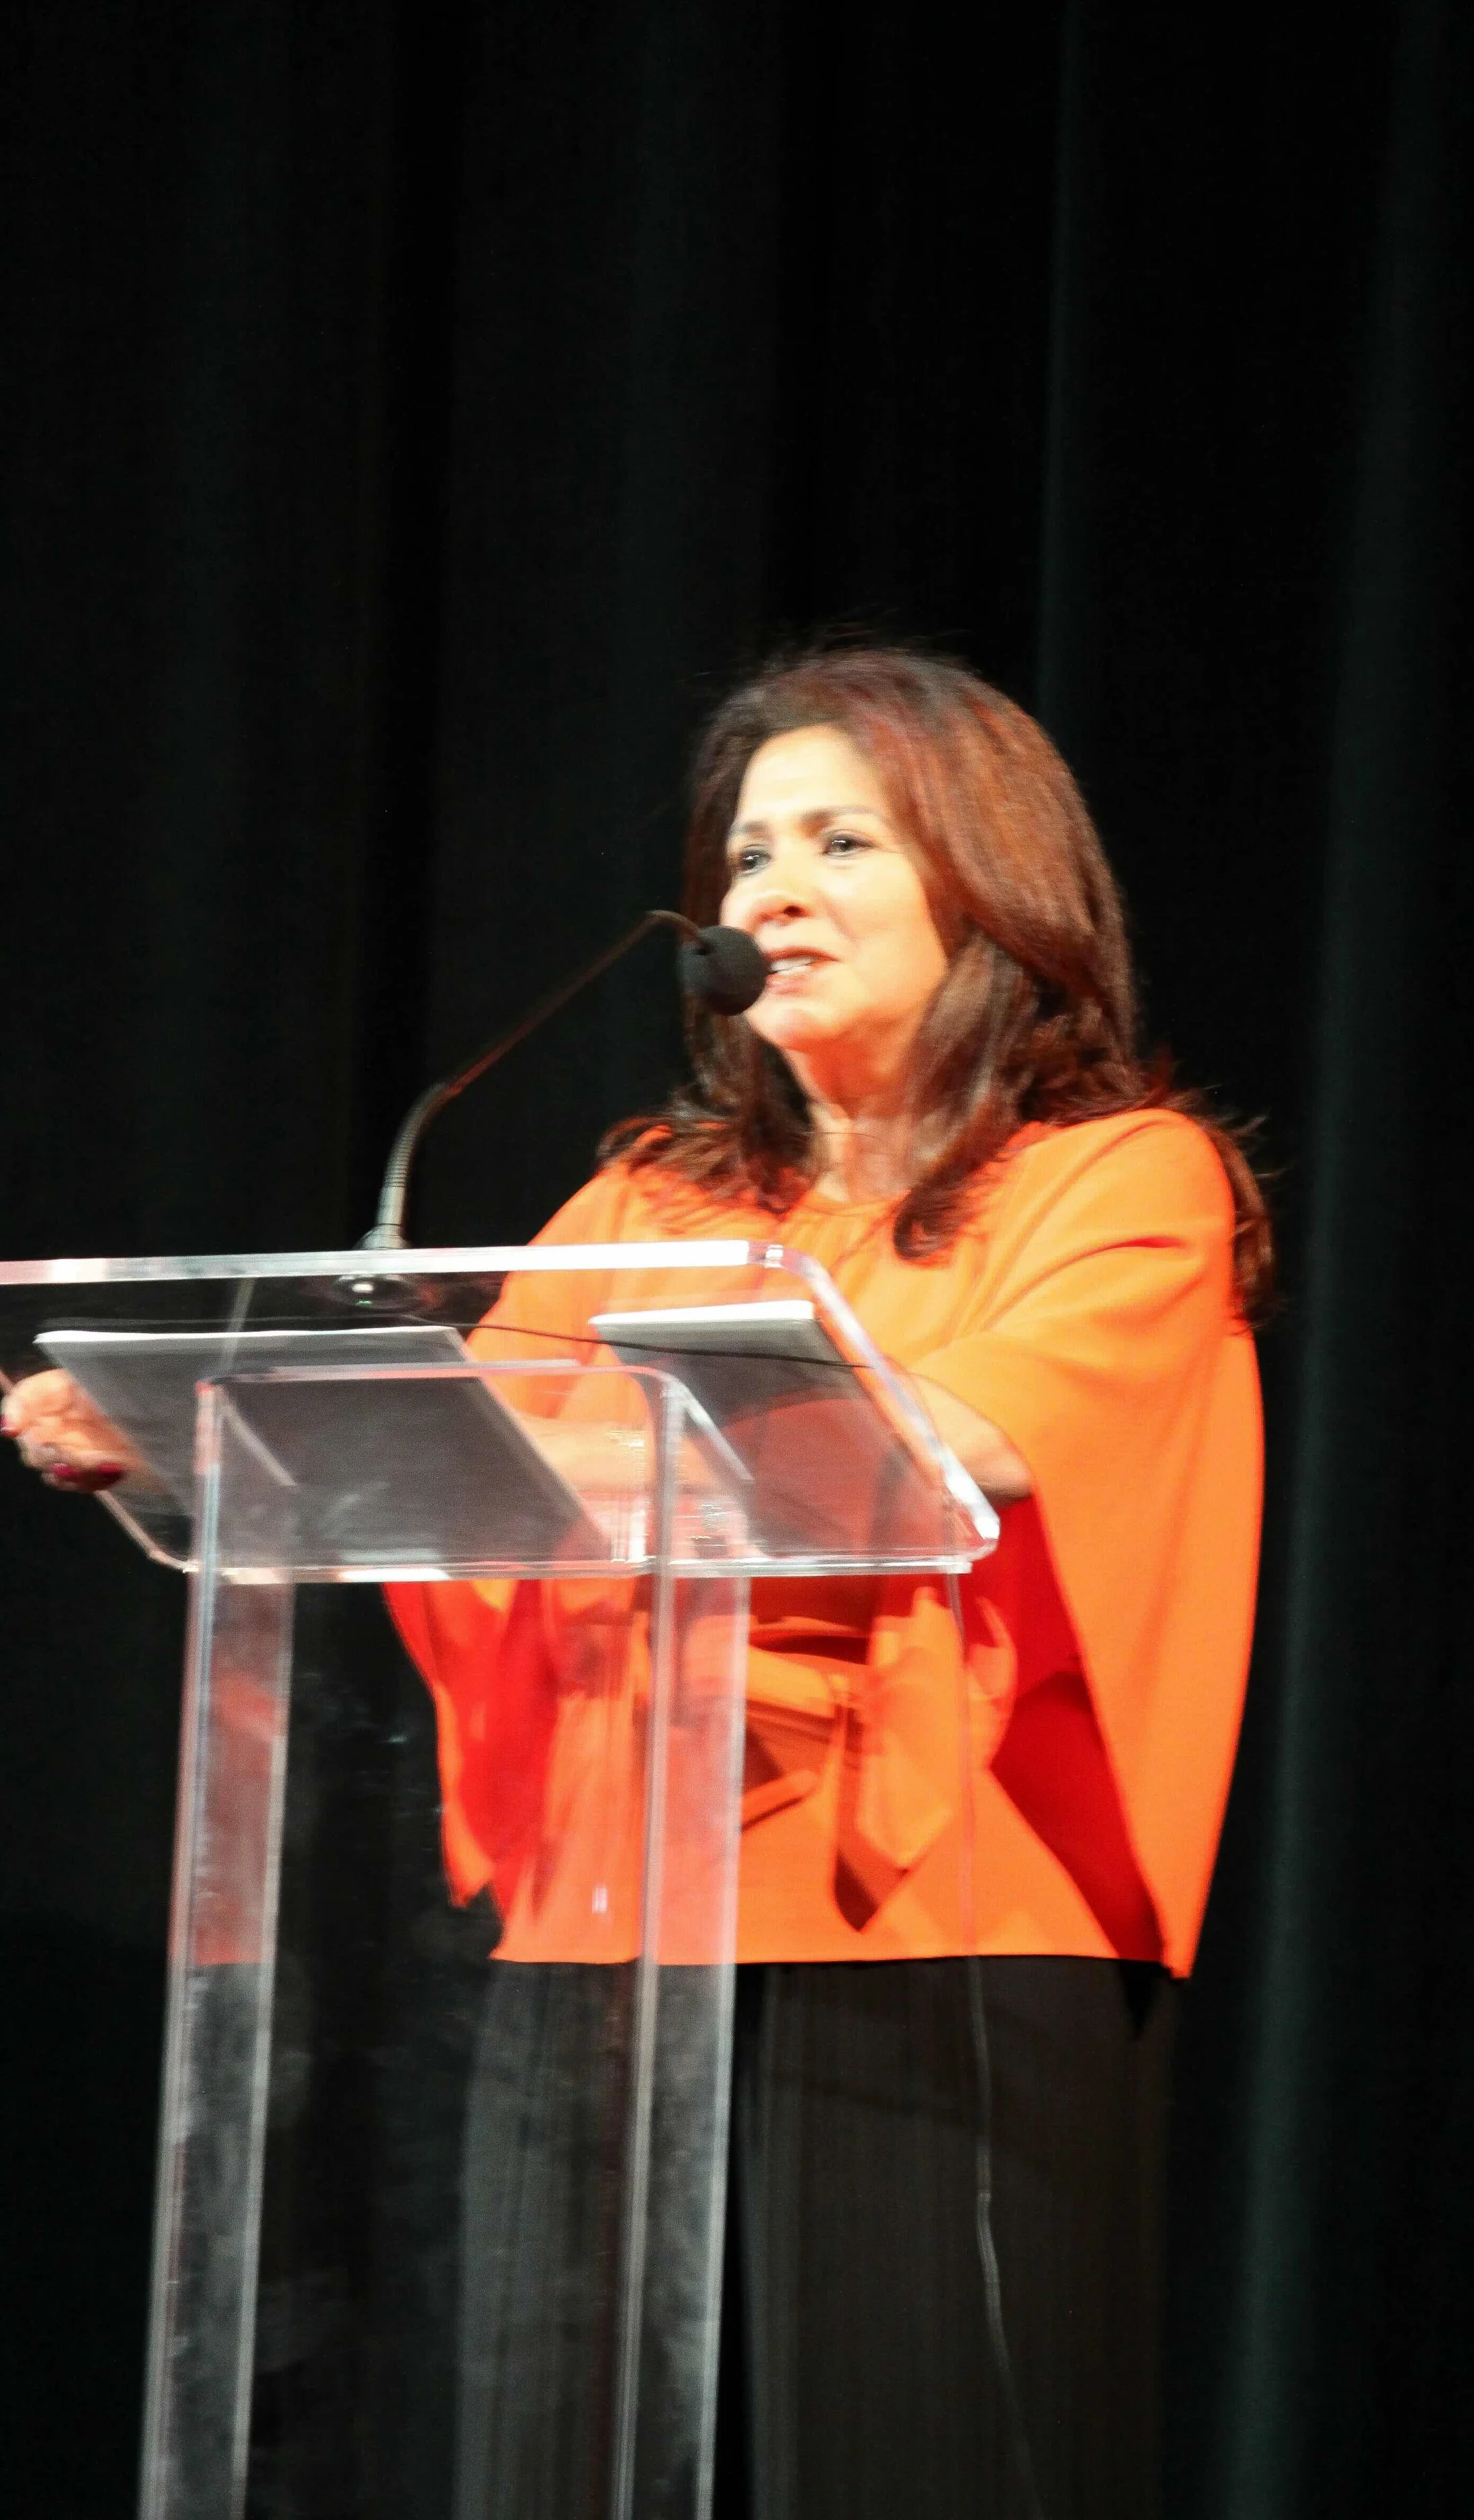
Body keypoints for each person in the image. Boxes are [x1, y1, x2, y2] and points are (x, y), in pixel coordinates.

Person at [4, 647, 1268, 2520]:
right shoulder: (653, 1203)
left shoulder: (1116, 1179)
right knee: (550, 2466)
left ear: (993, 886)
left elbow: (955, 1441)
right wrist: (206, 1436)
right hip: (613, 1907)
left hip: (938, 1925)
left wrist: (552, 1443)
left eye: (842, 842)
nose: (771, 892)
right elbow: (472, 1465)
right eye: (749, 852)